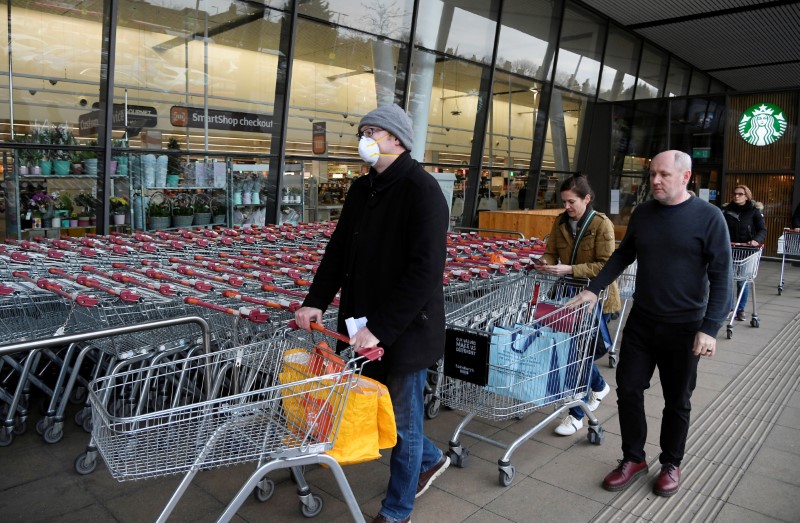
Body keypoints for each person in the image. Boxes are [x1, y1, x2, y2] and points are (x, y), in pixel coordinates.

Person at [294, 103, 450, 523]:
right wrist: (316, 300)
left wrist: (380, 329)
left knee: (404, 421)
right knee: (386, 412)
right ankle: (432, 458)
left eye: (372, 131)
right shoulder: (363, 190)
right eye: (362, 130)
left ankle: (398, 510)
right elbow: (339, 251)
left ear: (396, 139)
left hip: (404, 330)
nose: (363, 138)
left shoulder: (422, 190)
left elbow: (425, 273)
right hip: (362, 326)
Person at [565, 150, 732, 498]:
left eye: (664, 175)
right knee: (628, 390)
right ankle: (633, 458)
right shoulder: (644, 214)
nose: (655, 180)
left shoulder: (709, 218)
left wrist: (710, 328)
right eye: (652, 174)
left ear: (685, 177)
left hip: (685, 327)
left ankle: (671, 463)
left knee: (677, 400)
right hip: (643, 322)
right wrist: (594, 289)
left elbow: (722, 277)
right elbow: (624, 254)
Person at [535, 174, 621, 436]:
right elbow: (551, 250)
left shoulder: (601, 224)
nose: (567, 207)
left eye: (572, 202)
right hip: (568, 297)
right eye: (564, 202)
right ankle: (597, 386)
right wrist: (545, 262)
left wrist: (570, 268)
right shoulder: (560, 222)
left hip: (597, 299)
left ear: (587, 199)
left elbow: (607, 265)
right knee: (572, 354)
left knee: (575, 356)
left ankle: (575, 415)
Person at [722, 185, 766, 321]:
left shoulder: (754, 211)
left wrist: (755, 240)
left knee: (742, 281)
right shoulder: (726, 210)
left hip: (747, 252)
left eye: (740, 194)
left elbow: (762, 230)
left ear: (747, 196)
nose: (736, 196)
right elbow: (719, 227)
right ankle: (730, 308)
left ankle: (740, 309)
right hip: (730, 250)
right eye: (735, 193)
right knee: (728, 280)